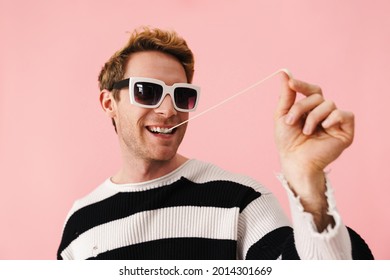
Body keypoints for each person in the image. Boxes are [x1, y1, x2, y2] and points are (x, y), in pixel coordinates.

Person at [57, 26, 373, 260]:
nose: (168, 110)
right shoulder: (80, 222)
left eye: (182, 95)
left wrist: (307, 181)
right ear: (109, 102)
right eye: (147, 91)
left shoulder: (241, 199)